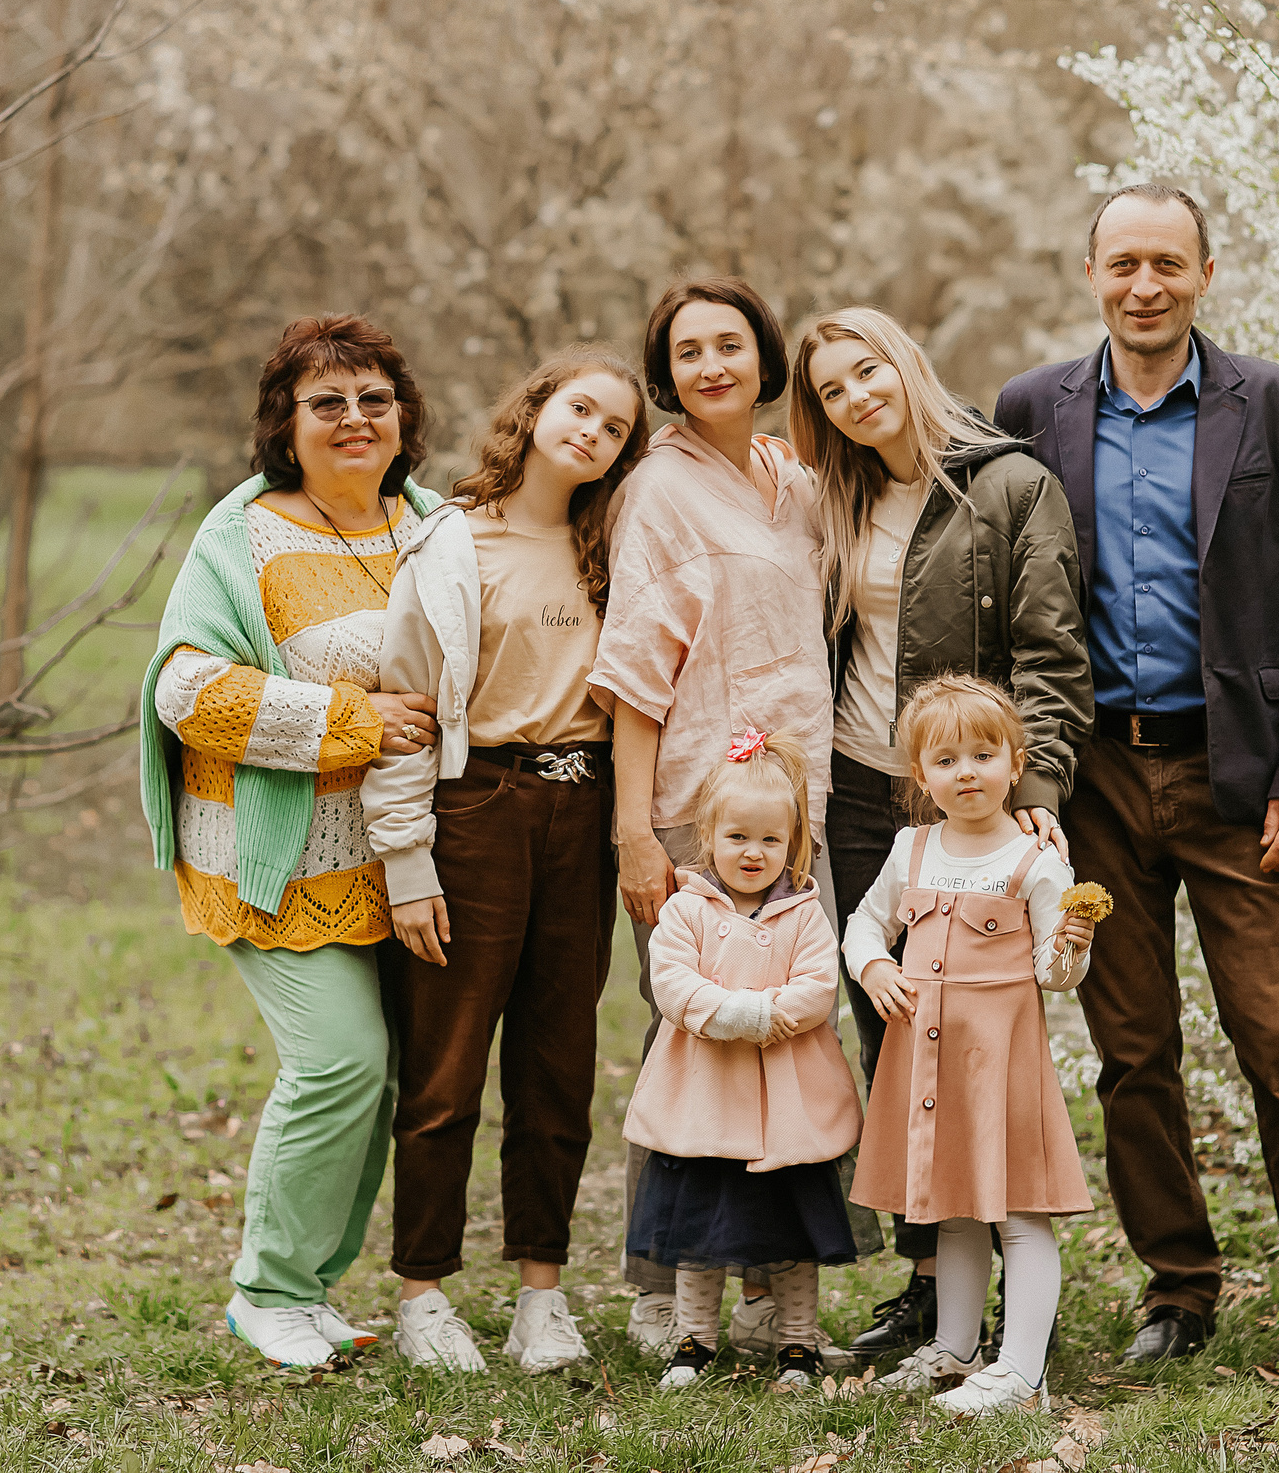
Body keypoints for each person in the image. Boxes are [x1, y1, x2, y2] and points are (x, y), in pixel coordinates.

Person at [992, 183, 1279, 1380]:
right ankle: (1179, 1289)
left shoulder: (1274, 407)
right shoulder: (1030, 409)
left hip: (1238, 779)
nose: (1144, 285)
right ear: (1092, 273)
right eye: (1123, 264)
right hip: (1094, 778)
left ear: (1204, 272)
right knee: (1132, 1049)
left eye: (1167, 262)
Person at [138, 313, 442, 1369]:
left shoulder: (436, 524)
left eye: (373, 399)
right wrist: (357, 725)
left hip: (410, 866)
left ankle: (309, 1289)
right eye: (327, 403)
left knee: (390, 1077)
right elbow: (187, 690)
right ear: (286, 423)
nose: (354, 420)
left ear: (402, 417)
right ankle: (263, 1290)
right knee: (340, 1064)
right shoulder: (245, 536)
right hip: (276, 859)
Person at [787, 305, 1093, 1354]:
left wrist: (1034, 794)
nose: (855, 398)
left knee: (983, 1042)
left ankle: (1018, 1278)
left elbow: (1050, 656)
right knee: (896, 1030)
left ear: (905, 360)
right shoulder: (838, 495)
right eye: (831, 390)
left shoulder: (1009, 485)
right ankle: (930, 1288)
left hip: (971, 799)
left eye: (866, 371)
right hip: (865, 790)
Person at [361, 349, 650, 1374]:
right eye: (581, 409)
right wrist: (406, 863)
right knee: (445, 1068)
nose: (593, 433)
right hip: (474, 806)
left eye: (616, 427)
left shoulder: (612, 543)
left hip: (584, 808)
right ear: (535, 412)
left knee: (556, 1066)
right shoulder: (449, 541)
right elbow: (401, 707)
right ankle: (424, 1292)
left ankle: (541, 1294)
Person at [586, 275, 842, 1358]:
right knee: (687, 1042)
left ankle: (767, 1288)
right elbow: (636, 677)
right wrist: (636, 833)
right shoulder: (659, 490)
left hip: (796, 814)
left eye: (728, 344)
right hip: (699, 812)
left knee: (788, 1044)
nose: (710, 367)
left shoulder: (791, 477)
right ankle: (660, 1286)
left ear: (763, 355)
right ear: (667, 373)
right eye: (687, 352)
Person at [843, 675, 1094, 1416]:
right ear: (921, 775)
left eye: (984, 754)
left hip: (1001, 1062)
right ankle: (956, 1347)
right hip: (927, 1060)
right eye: (947, 760)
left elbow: (1055, 974)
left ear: (1016, 763)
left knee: (1018, 1210)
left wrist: (1073, 946)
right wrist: (875, 964)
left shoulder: (1035, 861)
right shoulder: (911, 848)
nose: (967, 772)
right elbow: (864, 921)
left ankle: (1022, 1370)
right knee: (951, 1205)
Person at [621, 729, 864, 1391]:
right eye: (737, 837)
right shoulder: (687, 909)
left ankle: (795, 1342)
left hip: (785, 1108)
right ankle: (694, 1339)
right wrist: (730, 1012)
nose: (753, 853)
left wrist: (769, 1013)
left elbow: (816, 988)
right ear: (709, 836)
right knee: (698, 1237)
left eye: (769, 840)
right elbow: (669, 980)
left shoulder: (805, 913)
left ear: (792, 844)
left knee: (789, 1237)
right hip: (705, 1101)